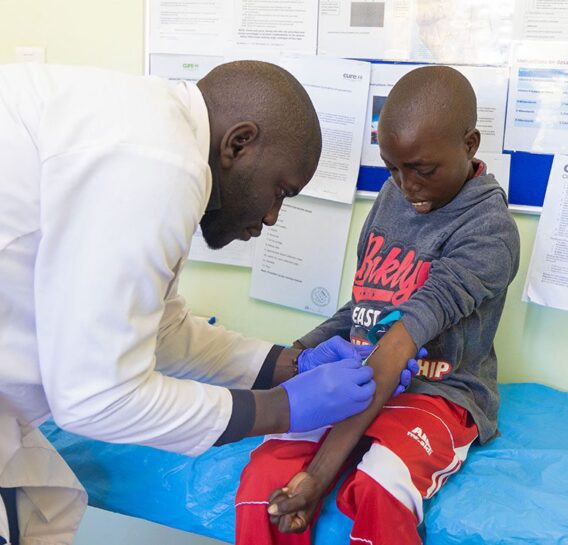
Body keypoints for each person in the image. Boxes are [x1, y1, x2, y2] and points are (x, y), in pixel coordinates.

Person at [0, 60, 380, 544]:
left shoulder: (156, 135)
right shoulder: (163, 163)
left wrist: (288, 366)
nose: (270, 216)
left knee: (41, 516)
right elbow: (95, 399)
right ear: (238, 144)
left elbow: (160, 325)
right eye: (280, 190)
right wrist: (278, 408)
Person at [235, 65, 521, 544]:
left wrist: (320, 477)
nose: (406, 186)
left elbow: (402, 337)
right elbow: (367, 306)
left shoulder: (488, 231)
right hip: (361, 374)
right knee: (265, 479)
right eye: (392, 168)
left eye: (422, 170)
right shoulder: (395, 196)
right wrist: (302, 353)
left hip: (437, 394)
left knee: (381, 485)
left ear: (469, 145)